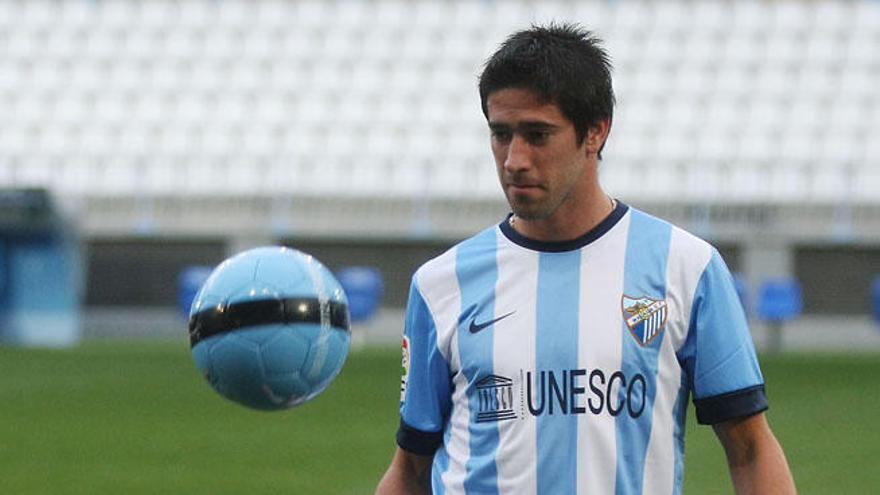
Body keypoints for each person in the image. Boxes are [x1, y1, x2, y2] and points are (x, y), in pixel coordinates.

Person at [376, 23, 795, 494]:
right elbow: (411, 467)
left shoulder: (687, 268)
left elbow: (751, 449)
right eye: (500, 134)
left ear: (595, 131)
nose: (514, 159)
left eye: (537, 134)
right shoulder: (441, 283)